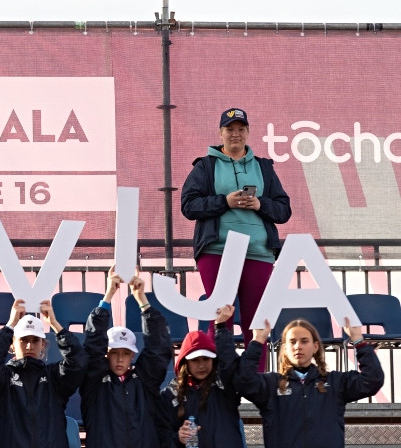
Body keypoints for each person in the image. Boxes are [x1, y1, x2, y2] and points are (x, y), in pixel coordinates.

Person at [181, 107, 292, 372]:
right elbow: (189, 205)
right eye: (230, 129)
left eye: (241, 129)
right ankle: (218, 382)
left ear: (248, 133)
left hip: (258, 252)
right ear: (221, 133)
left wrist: (259, 204)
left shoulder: (263, 167)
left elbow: (283, 209)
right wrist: (224, 201)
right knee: (221, 316)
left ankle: (257, 382)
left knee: (257, 320)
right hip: (217, 250)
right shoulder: (206, 166)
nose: (235, 134)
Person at [235, 318, 384, 448]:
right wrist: (257, 341)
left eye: (304, 341)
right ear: (285, 349)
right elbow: (243, 381)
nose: (298, 346)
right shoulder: (271, 384)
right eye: (292, 342)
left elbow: (372, 380)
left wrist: (358, 339)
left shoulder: (335, 382)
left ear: (315, 347)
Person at [80, 267, 172, 448]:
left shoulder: (145, 382)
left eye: (126, 353)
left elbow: (158, 348)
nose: (120, 359)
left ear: (133, 355)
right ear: (106, 354)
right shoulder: (94, 383)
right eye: (114, 353)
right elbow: (92, 345)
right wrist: (108, 295)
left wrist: (142, 300)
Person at [0, 298, 88, 448]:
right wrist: (10, 325)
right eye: (23, 340)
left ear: (43, 344)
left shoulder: (54, 377)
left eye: (35, 340)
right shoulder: (2, 378)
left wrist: (56, 325)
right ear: (12, 343)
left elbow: (78, 361)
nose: (29, 345)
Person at [157, 305, 242, 447]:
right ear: (185, 363)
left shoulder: (225, 384)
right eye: (195, 360)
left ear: (213, 360)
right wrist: (178, 438)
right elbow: (161, 435)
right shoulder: (169, 394)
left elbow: (230, 363)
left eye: (206, 359)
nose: (201, 365)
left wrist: (220, 327)